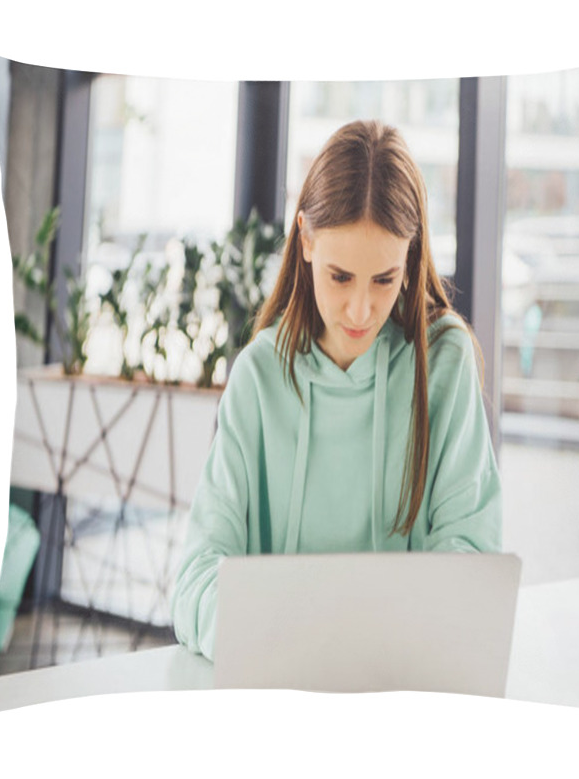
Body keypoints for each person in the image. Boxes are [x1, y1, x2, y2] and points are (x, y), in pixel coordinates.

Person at [171, 119, 501, 661]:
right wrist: (273, 638)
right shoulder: (257, 377)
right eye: (341, 276)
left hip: (403, 686)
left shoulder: (443, 362)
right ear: (305, 240)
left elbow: (469, 551)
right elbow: (196, 579)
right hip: (279, 687)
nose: (361, 310)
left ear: (411, 256)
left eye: (385, 279)